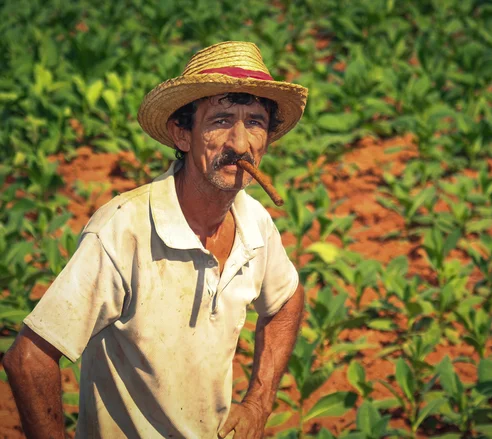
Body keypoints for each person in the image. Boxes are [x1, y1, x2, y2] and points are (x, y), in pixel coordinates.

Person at [3, 41, 309, 439]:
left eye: (254, 122)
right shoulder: (123, 229)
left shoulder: (255, 221)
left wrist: (258, 404)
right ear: (182, 134)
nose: (240, 143)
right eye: (220, 120)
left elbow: (287, 298)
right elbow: (28, 360)